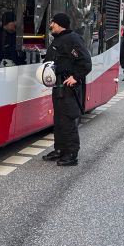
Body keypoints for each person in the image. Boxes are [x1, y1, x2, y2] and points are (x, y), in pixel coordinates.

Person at [42, 12, 92, 167]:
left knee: (68, 120)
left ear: (60, 24)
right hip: (58, 87)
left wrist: (76, 77)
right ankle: (60, 150)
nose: (51, 25)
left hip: (68, 88)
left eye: (53, 23)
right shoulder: (58, 39)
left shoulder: (72, 39)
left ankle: (71, 154)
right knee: (59, 120)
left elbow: (85, 62)